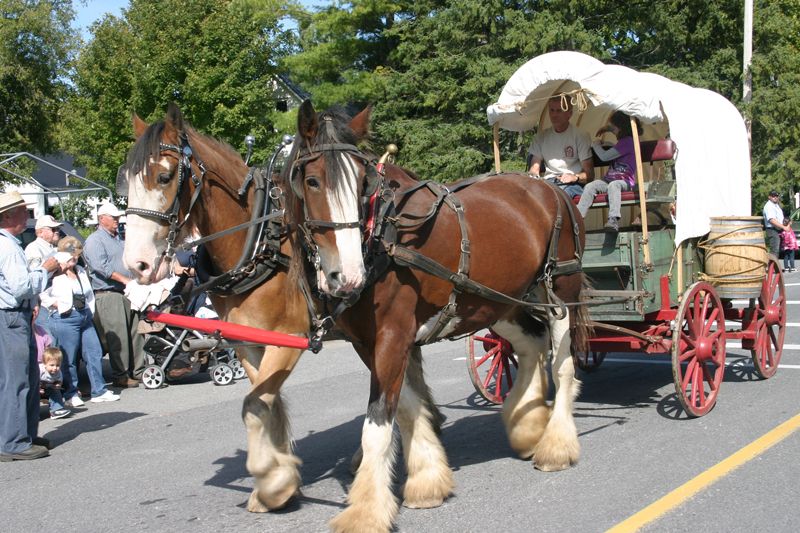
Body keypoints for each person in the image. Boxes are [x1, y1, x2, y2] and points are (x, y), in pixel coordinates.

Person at [0, 191, 60, 461]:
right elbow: (21, 286)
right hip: (11, 317)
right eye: (23, 210)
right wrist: (46, 269)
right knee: (18, 381)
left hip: (15, 315)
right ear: (8, 215)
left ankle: (22, 434)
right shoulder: (7, 246)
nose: (28, 215)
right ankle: (14, 441)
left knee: (26, 378)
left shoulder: (9, 243)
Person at [41, 237, 119, 405]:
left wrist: (90, 311)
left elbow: (88, 293)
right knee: (68, 358)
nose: (75, 257)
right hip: (65, 317)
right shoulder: (55, 272)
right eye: (72, 254)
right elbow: (40, 292)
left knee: (94, 352)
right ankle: (70, 393)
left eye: (77, 254)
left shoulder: (80, 270)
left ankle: (99, 390)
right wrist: (54, 304)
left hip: (84, 315)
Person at [83, 203, 144, 388]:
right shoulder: (95, 241)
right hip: (108, 293)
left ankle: (138, 370)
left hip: (127, 291)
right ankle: (121, 374)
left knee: (136, 331)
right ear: (102, 219)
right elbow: (101, 267)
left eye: (117, 217)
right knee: (118, 335)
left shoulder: (119, 239)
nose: (117, 220)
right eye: (113, 217)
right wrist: (125, 280)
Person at [576, 111, 643, 232]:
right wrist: (606, 132)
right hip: (608, 180)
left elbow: (605, 157)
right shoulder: (622, 143)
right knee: (590, 186)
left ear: (621, 127)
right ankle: (578, 218)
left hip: (624, 182)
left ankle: (613, 219)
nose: (611, 131)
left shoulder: (628, 141)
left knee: (614, 185)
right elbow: (614, 149)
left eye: (613, 129)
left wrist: (596, 145)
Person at [528, 96, 594, 198]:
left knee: (558, 198)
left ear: (570, 114)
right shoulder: (541, 137)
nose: (554, 115)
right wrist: (533, 178)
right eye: (552, 110)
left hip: (573, 184)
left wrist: (575, 177)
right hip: (549, 183)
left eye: (559, 111)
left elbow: (589, 175)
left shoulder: (580, 135)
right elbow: (534, 169)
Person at [39, 347, 72, 419]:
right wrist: (38, 388)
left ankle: (56, 409)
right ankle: (33, 414)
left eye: (57, 365)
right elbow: (33, 381)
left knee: (56, 392)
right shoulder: (40, 370)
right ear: (44, 363)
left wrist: (58, 385)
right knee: (32, 395)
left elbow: (59, 381)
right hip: (38, 389)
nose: (55, 368)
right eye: (52, 365)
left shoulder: (58, 372)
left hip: (49, 388)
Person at [763, 190, 788, 257]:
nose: (775, 197)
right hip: (772, 230)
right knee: (774, 251)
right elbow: (772, 220)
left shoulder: (775, 205)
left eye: (776, 196)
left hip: (777, 230)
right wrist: (783, 227)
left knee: (777, 251)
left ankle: (774, 267)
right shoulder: (769, 206)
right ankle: (771, 267)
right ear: (769, 197)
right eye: (773, 196)